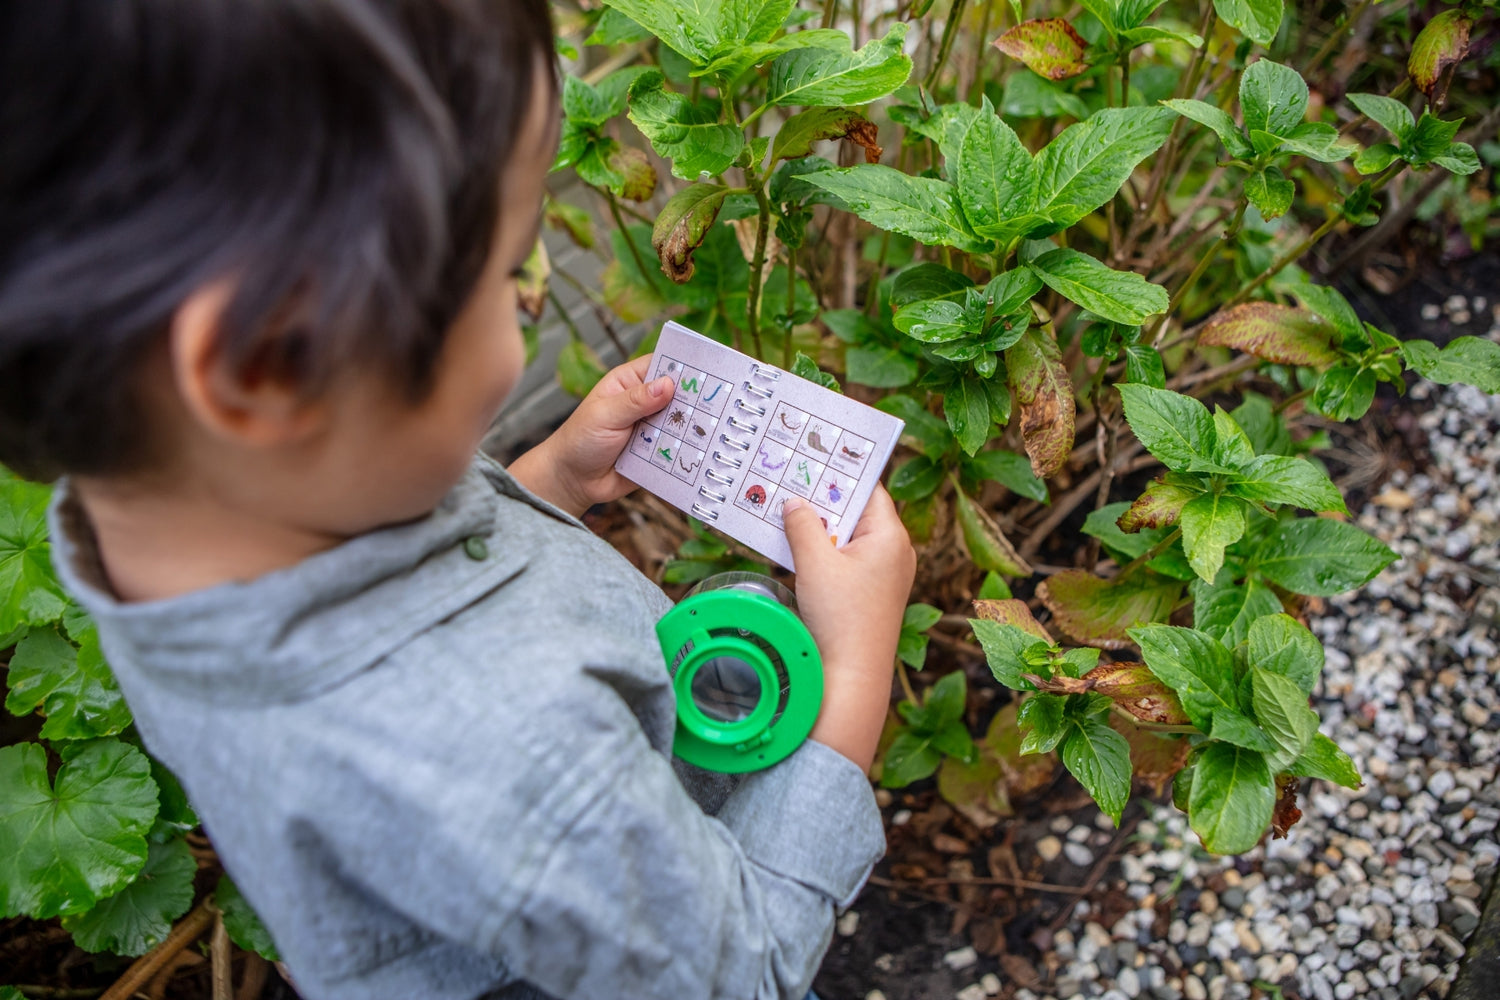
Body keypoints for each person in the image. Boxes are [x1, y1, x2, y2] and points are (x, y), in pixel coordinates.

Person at [0, 3, 917, 999]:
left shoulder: (165, 513)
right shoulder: (505, 756)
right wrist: (855, 667)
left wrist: (550, 480)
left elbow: (397, 568)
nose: (528, 312)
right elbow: (743, 971)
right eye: (507, 270)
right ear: (267, 366)